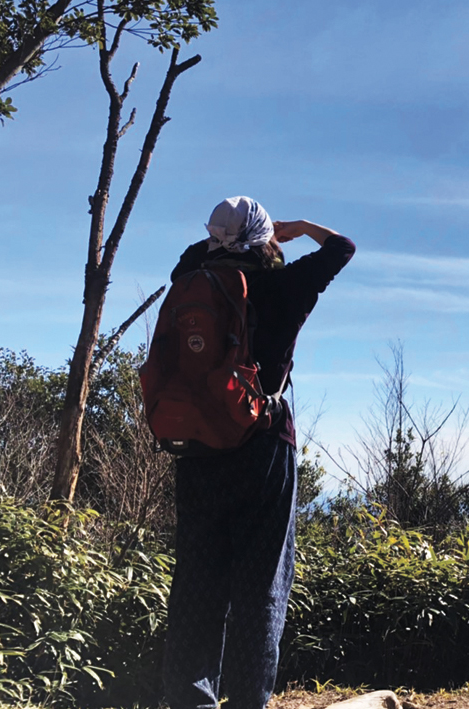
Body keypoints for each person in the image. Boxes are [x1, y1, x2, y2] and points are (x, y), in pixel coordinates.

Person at [162, 196, 355, 709]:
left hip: (197, 445)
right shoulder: (282, 286)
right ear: (264, 239)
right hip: (261, 445)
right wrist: (300, 227)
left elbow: (197, 252)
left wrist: (228, 238)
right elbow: (342, 248)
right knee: (260, 586)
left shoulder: (191, 278)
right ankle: (249, 702)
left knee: (197, 584)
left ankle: (191, 701)